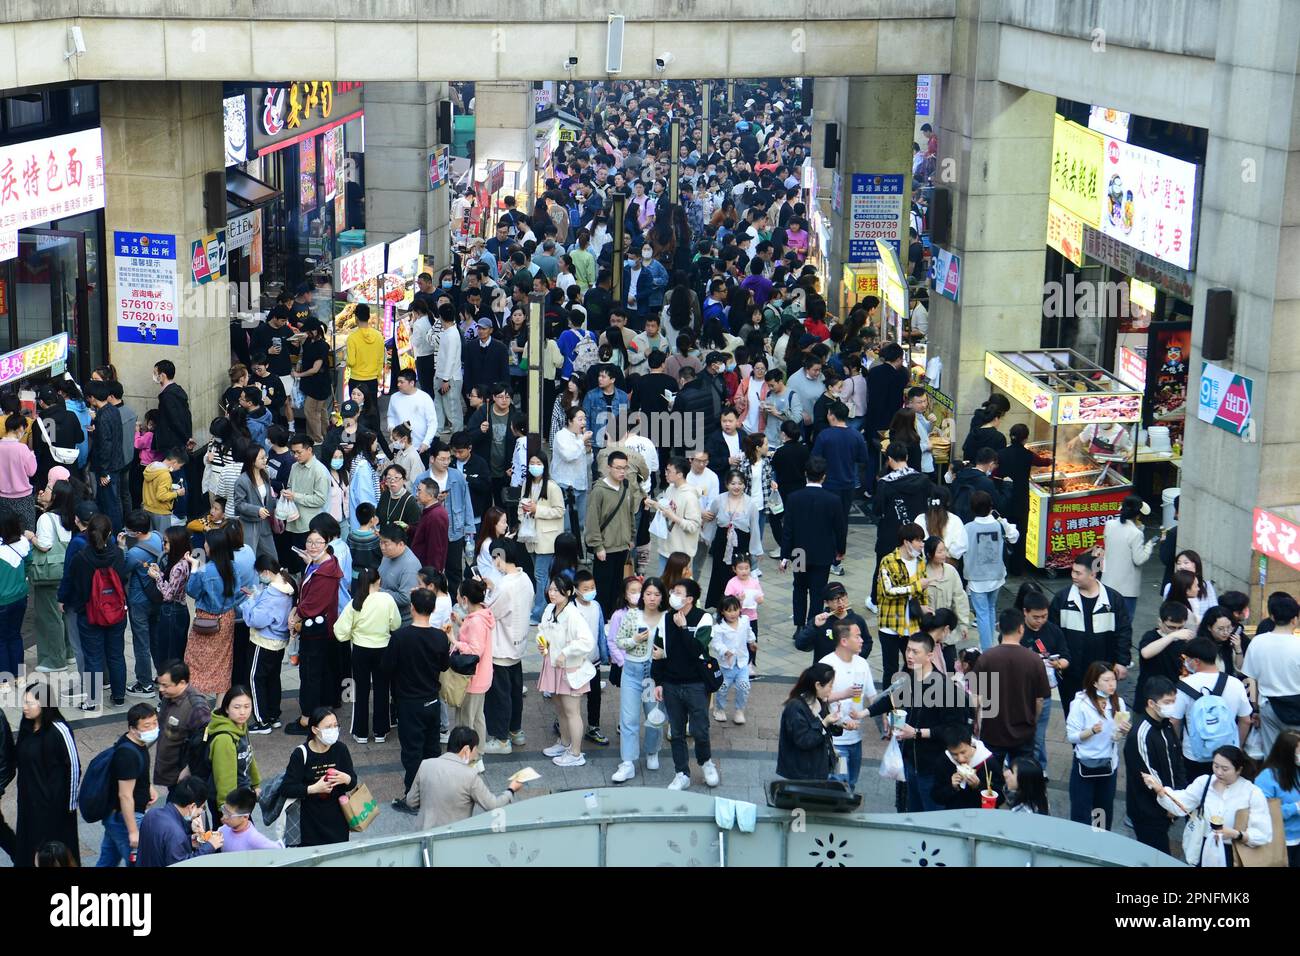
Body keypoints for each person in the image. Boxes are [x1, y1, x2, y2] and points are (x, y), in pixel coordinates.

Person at [1144, 745, 1273, 867]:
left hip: (1233, 851)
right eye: (1215, 766)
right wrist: (1160, 790)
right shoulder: (1204, 782)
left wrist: (1236, 834)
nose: (1219, 772)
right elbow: (1182, 803)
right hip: (1204, 845)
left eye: (1225, 769)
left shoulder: (1252, 793)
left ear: (1239, 769)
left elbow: (1263, 833)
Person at [385, 588, 451, 813]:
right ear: (433, 610)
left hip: (408, 703)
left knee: (412, 752)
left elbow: (387, 668)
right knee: (432, 749)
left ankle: (412, 799)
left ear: (412, 608)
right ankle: (434, 793)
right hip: (432, 701)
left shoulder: (400, 637)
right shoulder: (440, 637)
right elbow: (444, 665)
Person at [653, 578, 720, 791]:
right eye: (673, 591)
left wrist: (683, 629)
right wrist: (658, 682)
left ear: (689, 598)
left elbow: (696, 651)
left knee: (700, 729)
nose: (673, 594)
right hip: (671, 683)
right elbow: (658, 652)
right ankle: (682, 772)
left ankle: (705, 761)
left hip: (696, 684)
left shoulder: (704, 618)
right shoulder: (665, 618)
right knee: (677, 732)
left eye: (678, 592)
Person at [1050, 552, 1133, 721]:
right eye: (1073, 571)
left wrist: (1122, 661)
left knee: (1103, 715)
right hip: (1071, 672)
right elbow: (1053, 632)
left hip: (1102, 672)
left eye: (1078, 573)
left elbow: (1123, 632)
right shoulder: (1062, 598)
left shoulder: (1113, 599)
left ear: (1093, 574)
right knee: (1073, 716)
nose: (1073, 576)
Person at [62, 512, 128, 709]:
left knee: (93, 657)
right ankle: (118, 697)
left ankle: (91, 701)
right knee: (116, 655)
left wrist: (63, 599)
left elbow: (70, 582)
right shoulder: (117, 554)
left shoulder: (81, 558)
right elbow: (123, 580)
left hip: (89, 614)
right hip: (116, 613)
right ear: (109, 534)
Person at [14, 684, 81, 867]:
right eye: (24, 703)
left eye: (30, 703)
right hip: (29, 803)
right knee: (28, 846)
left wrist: (69, 806)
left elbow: (74, 767)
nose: (25, 708)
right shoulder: (27, 726)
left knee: (53, 853)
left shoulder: (59, 730)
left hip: (54, 807)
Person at [406, 726, 524, 830]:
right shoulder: (470, 776)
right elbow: (492, 805)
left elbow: (411, 801)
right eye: (475, 750)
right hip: (453, 839)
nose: (475, 755)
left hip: (424, 836)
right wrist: (511, 790)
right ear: (466, 750)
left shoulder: (426, 765)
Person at [974, 609, 1050, 767]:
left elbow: (976, 698)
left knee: (991, 781)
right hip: (1023, 731)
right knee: (1021, 779)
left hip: (992, 731)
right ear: (1021, 628)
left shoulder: (986, 658)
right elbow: (1040, 700)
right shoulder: (1034, 660)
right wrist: (1032, 721)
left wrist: (976, 722)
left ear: (999, 628)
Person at [286, 531, 344, 736]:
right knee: (322, 670)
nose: (312, 546)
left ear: (327, 543)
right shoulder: (322, 564)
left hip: (316, 629)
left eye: (318, 542)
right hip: (323, 628)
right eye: (309, 541)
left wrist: (295, 614)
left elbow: (313, 603)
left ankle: (307, 718)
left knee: (310, 673)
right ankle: (323, 708)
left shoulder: (324, 571)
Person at [333, 567, 400, 745]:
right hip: (383, 649)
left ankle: (360, 732)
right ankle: (381, 731)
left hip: (361, 650)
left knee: (360, 691)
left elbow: (340, 631)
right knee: (382, 690)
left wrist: (353, 635)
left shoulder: (355, 602)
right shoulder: (387, 599)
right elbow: (396, 624)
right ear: (378, 581)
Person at [779, 457, 846, 628]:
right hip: (823, 554)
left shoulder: (794, 498)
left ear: (805, 474)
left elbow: (788, 530)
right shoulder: (833, 500)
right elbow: (840, 529)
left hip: (799, 553)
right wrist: (840, 550)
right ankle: (812, 626)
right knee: (817, 592)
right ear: (824, 476)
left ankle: (799, 626)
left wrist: (785, 556)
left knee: (800, 589)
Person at [538, 575, 596, 767]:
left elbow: (587, 641)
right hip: (553, 665)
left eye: (557, 590)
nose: (552, 593)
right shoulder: (549, 609)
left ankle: (576, 752)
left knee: (572, 711)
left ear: (568, 593)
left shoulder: (573, 615)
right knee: (560, 708)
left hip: (570, 668)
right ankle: (564, 743)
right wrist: (542, 642)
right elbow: (542, 630)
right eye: (551, 589)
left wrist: (566, 651)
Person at [481, 540, 533, 754]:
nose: (494, 562)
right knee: (513, 693)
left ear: (500, 557)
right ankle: (515, 731)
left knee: (499, 696)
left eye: (494, 557)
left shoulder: (504, 585)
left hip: (501, 648)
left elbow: (490, 612)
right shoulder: (525, 579)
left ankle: (501, 739)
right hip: (518, 645)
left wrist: (485, 593)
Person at [1065, 661, 1130, 831]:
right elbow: (1072, 736)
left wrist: (1122, 731)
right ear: (1094, 683)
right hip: (1084, 766)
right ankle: (1081, 847)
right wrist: (1091, 731)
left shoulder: (1118, 703)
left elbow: (1115, 737)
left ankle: (1099, 842)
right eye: (1106, 680)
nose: (1111, 684)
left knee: (1102, 809)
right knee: (1081, 811)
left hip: (1109, 766)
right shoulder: (1080, 704)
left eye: (1113, 680)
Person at [1123, 676, 1185, 853]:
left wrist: (1178, 797)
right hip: (1149, 811)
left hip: (1169, 804)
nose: (1172, 705)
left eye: (1174, 700)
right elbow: (1149, 776)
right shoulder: (1140, 734)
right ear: (1151, 703)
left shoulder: (1166, 725)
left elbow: (1177, 761)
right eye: (1167, 701)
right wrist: (1170, 804)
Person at [280, 708, 357, 847]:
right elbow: (286, 788)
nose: (333, 730)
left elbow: (352, 782)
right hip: (309, 822)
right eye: (328, 727)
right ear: (315, 730)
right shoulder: (300, 754)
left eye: (335, 725)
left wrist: (347, 779)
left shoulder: (340, 749)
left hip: (337, 820)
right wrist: (313, 788)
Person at [97, 703, 159, 867]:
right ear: (133, 728)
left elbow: (134, 775)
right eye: (147, 725)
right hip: (125, 819)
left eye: (155, 723)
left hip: (116, 817)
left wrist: (147, 787)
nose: (153, 728)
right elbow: (125, 795)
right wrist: (133, 831)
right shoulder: (128, 755)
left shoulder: (135, 743)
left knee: (107, 860)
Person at [817, 620, 874, 791]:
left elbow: (872, 695)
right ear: (843, 641)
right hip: (837, 741)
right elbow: (815, 699)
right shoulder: (826, 665)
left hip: (856, 738)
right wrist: (844, 694)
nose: (862, 640)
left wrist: (885, 717)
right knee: (839, 783)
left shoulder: (862, 663)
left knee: (852, 782)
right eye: (857, 636)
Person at [871, 441, 933, 598]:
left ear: (889, 459)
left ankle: (877, 599)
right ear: (906, 457)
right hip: (917, 531)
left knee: (884, 567)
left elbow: (877, 510)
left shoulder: (885, 483)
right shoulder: (923, 479)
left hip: (891, 532)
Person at [1240, 592, 1300, 753]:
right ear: (1295, 619)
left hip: (1269, 706)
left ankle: (1272, 778)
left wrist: (1255, 709)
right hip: (1297, 707)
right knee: (1297, 755)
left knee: (1272, 755)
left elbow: (1250, 679)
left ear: (1272, 617)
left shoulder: (1258, 642)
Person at [584, 450, 641, 616]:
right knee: (603, 588)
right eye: (618, 468)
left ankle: (614, 618)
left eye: (624, 468)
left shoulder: (626, 487)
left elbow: (630, 514)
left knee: (618, 587)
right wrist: (597, 546)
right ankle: (601, 618)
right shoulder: (599, 490)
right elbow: (592, 520)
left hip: (622, 546)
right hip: (605, 548)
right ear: (609, 468)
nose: (622, 471)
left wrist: (631, 536)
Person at [964, 490, 1019, 651]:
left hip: (976, 577)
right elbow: (1014, 536)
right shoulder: (1000, 524)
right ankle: (990, 645)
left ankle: (987, 649)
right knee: (990, 609)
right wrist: (1002, 520)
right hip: (996, 575)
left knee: (981, 613)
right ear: (990, 507)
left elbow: (957, 548)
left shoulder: (968, 528)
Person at [702, 469, 761, 610]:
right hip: (722, 545)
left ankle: (737, 608)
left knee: (738, 576)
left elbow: (754, 528)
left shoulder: (750, 504)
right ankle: (720, 608)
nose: (737, 487)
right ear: (727, 484)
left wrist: (756, 550)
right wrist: (706, 538)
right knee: (720, 576)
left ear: (744, 485)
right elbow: (711, 519)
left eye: (740, 483)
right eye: (733, 483)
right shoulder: (719, 500)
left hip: (741, 545)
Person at [519, 452, 565, 624]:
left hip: (547, 538)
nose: (534, 466)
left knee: (540, 575)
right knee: (540, 574)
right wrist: (522, 514)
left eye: (538, 463)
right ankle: (545, 607)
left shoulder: (552, 487)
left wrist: (537, 510)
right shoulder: (527, 484)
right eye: (532, 462)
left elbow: (559, 511)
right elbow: (521, 503)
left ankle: (539, 612)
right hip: (530, 535)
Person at [775, 663, 841, 781]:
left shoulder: (818, 701)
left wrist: (839, 725)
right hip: (802, 774)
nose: (831, 690)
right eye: (830, 686)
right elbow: (804, 741)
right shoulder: (795, 707)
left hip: (817, 769)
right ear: (818, 685)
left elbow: (825, 730)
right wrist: (825, 723)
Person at [135, 777, 222, 866]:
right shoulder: (176, 833)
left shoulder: (152, 814)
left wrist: (188, 841)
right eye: (202, 807)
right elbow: (182, 864)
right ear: (192, 806)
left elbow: (162, 847)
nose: (201, 812)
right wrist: (210, 846)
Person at [1101, 494, 1160, 623]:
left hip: (1107, 584)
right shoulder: (1136, 533)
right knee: (1124, 623)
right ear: (1138, 515)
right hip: (1126, 589)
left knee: (1106, 621)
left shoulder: (1109, 524)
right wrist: (1149, 545)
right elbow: (1139, 559)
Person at [204, 686, 261, 819]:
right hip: (229, 805)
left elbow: (249, 756)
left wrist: (255, 784)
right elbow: (224, 777)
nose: (243, 712)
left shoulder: (241, 726)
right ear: (226, 709)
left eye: (247, 706)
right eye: (237, 707)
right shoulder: (224, 739)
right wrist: (226, 809)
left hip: (241, 796)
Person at [154, 661, 212, 788]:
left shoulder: (197, 708)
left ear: (182, 683)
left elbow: (203, 745)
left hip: (184, 776)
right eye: (160, 684)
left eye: (165, 685)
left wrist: (188, 769)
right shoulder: (169, 696)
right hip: (170, 770)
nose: (161, 689)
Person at [646, 456, 703, 575]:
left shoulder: (690, 497)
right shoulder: (670, 489)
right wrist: (655, 504)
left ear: (680, 474)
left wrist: (673, 517)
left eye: (669, 471)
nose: (665, 474)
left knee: (678, 590)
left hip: (681, 555)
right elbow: (667, 510)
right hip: (665, 549)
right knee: (662, 589)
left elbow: (694, 525)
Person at [1135, 601, 1194, 712]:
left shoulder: (1184, 641)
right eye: (1171, 627)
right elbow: (1146, 653)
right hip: (1149, 695)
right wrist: (1172, 636)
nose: (1176, 631)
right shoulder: (1151, 636)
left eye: (1180, 627)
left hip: (1173, 694)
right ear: (1160, 622)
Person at [1253, 730, 1300, 867]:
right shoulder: (1267, 777)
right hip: (1282, 842)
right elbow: (1263, 812)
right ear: (1287, 753)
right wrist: (1295, 808)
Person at [930, 725, 1004, 810]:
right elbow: (936, 797)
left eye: (963, 752)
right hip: (954, 814)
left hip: (982, 813)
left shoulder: (988, 762)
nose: (960, 759)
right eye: (954, 754)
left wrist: (979, 786)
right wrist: (952, 787)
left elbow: (1000, 798)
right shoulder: (944, 761)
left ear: (970, 744)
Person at [709, 596, 754, 724]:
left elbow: (749, 633)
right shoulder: (718, 628)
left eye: (735, 610)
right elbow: (716, 643)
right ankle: (720, 709)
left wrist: (752, 642)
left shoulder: (744, 621)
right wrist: (725, 651)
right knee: (723, 688)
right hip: (726, 665)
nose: (733, 613)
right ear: (722, 612)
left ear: (740, 609)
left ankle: (739, 710)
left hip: (741, 663)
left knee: (743, 686)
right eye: (728, 610)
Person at [344, 305, 385, 433]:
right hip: (372, 380)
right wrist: (378, 376)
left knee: (353, 410)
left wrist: (346, 358)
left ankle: (350, 438)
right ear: (368, 317)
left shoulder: (352, 338)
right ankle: (375, 437)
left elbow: (351, 362)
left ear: (356, 318)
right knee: (373, 409)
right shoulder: (378, 336)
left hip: (356, 380)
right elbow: (381, 359)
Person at [0, 412, 37, 532]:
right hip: (23, 498)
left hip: (2, 497)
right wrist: (32, 455)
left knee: (6, 533)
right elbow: (32, 471)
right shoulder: (22, 449)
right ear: (20, 428)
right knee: (27, 533)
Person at [217, 786, 283, 853]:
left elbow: (278, 849)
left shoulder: (253, 838)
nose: (224, 816)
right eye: (224, 809)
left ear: (245, 817)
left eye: (228, 814)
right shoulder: (223, 829)